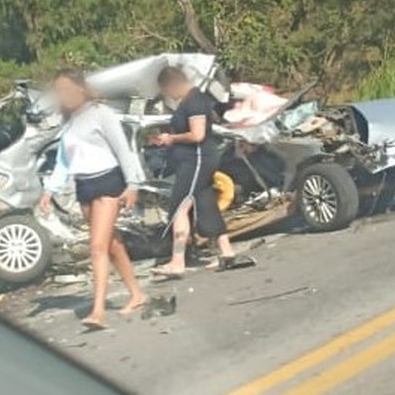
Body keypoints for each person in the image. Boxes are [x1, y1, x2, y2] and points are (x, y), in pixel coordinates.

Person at [39, 67, 147, 329]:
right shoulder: (69, 121)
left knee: (97, 247)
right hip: (83, 185)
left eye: (67, 89)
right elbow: (65, 160)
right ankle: (137, 294)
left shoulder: (102, 113)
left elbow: (124, 150)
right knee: (112, 244)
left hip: (108, 181)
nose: (64, 96)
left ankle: (98, 310)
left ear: (80, 88)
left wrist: (132, 184)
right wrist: (49, 190)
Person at [150, 66, 255, 277]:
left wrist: (172, 139)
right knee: (206, 206)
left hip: (197, 159)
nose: (168, 95)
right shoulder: (189, 101)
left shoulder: (195, 101)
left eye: (167, 90)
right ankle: (226, 253)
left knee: (179, 207)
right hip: (191, 160)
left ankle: (177, 261)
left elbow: (197, 135)